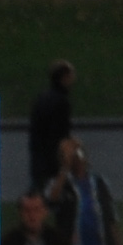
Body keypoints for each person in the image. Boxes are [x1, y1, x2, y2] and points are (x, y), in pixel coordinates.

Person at [28, 59, 78, 187]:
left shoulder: (42, 98)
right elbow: (62, 134)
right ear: (65, 77)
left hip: (38, 157)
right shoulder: (62, 102)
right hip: (54, 159)